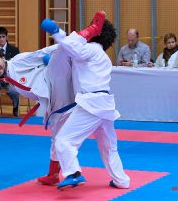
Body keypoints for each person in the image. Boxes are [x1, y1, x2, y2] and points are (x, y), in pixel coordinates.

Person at [41, 11, 131, 190]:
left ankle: (73, 173)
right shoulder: (102, 56)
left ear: (96, 34)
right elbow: (70, 55)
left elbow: (72, 46)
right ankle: (121, 180)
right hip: (104, 106)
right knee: (109, 147)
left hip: (90, 105)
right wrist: (52, 62)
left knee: (63, 141)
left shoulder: (89, 50)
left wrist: (57, 32)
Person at [0, 44, 75, 186]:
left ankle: (72, 173)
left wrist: (73, 41)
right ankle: (54, 174)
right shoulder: (7, 75)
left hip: (59, 91)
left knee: (62, 138)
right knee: (60, 137)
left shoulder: (18, 61)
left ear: (2, 57)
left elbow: (42, 52)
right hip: (53, 97)